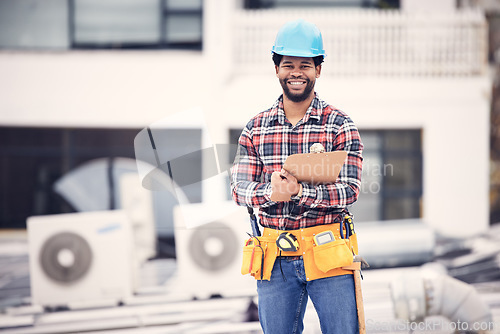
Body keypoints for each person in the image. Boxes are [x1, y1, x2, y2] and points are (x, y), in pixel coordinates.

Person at [230, 19, 363, 334]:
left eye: (306, 65)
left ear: (319, 70)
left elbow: (350, 190)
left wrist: (300, 193)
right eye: (288, 64)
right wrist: (270, 194)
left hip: (327, 252)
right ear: (276, 69)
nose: (296, 72)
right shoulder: (255, 128)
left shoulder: (339, 125)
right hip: (274, 258)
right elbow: (238, 189)